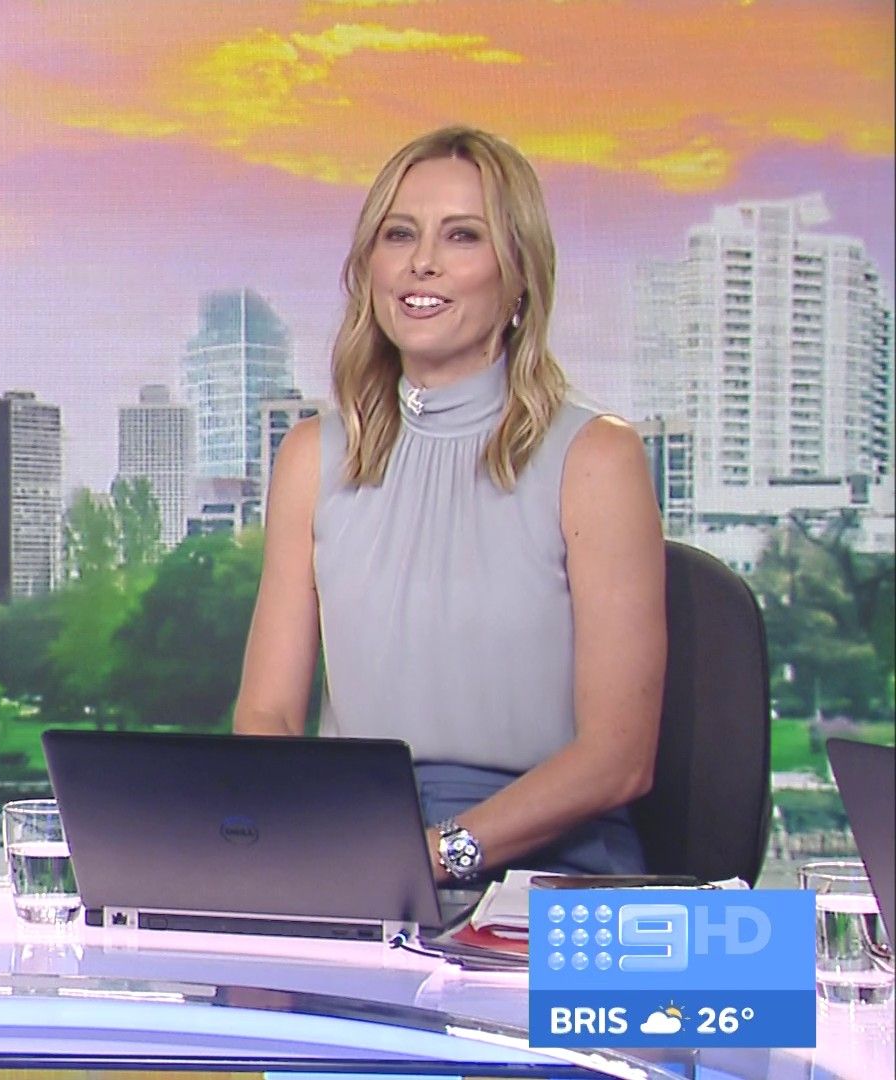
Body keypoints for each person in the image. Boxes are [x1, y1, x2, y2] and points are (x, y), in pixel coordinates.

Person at [231, 126, 665, 883]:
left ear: (519, 275)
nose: (421, 261)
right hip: (354, 840)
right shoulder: (310, 456)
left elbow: (619, 759)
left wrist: (435, 856)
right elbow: (266, 716)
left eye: (462, 235)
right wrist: (313, 845)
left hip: (547, 862)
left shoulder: (596, 457)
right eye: (399, 234)